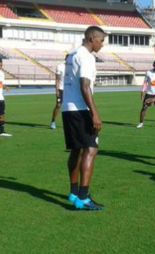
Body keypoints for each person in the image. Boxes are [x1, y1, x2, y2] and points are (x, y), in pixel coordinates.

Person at [62, 26, 106, 210]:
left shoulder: (72, 54)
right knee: (91, 149)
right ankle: (84, 197)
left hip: (68, 108)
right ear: (91, 38)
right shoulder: (87, 57)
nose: (102, 45)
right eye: (100, 40)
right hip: (81, 109)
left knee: (76, 150)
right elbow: (85, 86)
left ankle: (73, 192)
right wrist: (94, 112)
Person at [137, 60, 155, 128]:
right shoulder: (148, 73)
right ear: (153, 65)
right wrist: (142, 92)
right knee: (144, 108)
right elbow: (145, 83)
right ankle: (141, 123)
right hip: (149, 93)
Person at [50, 54, 68, 129]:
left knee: (69, 107)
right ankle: (53, 121)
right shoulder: (60, 66)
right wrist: (56, 90)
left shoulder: (73, 67)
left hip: (69, 90)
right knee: (58, 105)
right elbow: (57, 79)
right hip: (61, 89)